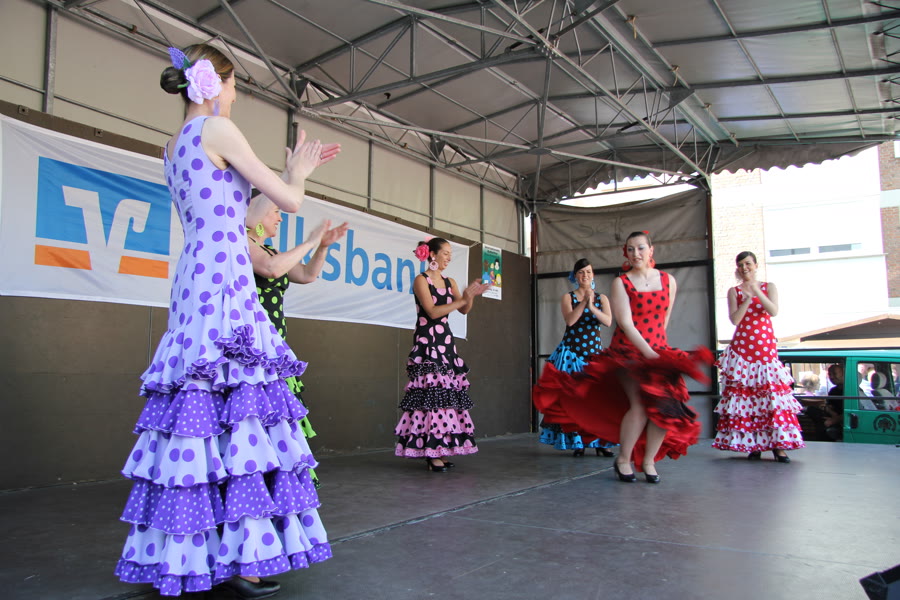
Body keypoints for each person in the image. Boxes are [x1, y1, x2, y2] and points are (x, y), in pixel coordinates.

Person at [115, 44, 340, 598]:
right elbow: (287, 201)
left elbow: (235, 207)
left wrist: (285, 174)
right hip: (225, 281)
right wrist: (298, 173)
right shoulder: (217, 129)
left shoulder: (174, 145)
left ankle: (191, 553)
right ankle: (245, 558)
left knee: (198, 411)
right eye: (236, 85)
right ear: (213, 84)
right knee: (241, 412)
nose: (237, 96)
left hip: (196, 278)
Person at [534, 231, 711, 484]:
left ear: (651, 250)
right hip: (629, 352)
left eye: (641, 248)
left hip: (658, 349)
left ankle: (648, 461)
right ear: (625, 253)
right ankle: (624, 459)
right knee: (639, 405)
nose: (636, 253)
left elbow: (664, 319)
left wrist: (659, 352)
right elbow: (625, 323)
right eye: (630, 249)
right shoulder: (622, 282)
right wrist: (648, 353)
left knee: (667, 408)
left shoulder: (668, 281)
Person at [246, 192, 349, 486]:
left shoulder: (268, 248)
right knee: (253, 417)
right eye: (274, 211)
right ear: (255, 212)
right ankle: (251, 481)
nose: (279, 218)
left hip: (274, 346)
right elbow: (270, 268)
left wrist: (322, 247)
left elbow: (306, 274)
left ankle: (274, 482)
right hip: (250, 347)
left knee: (274, 418)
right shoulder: (239, 242)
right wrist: (310, 241)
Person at [394, 237, 490, 472]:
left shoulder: (450, 281)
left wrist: (469, 296)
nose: (449, 257)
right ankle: (430, 451)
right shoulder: (421, 280)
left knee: (446, 396)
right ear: (432, 254)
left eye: (450, 253)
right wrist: (461, 300)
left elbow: (464, 309)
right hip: (427, 342)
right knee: (430, 396)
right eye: (445, 253)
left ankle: (442, 448)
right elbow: (433, 312)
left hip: (445, 343)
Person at [712, 250, 804, 462]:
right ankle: (752, 444)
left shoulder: (769, 286)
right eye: (741, 265)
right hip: (743, 349)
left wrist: (756, 292)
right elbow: (735, 320)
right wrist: (747, 300)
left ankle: (778, 446)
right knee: (747, 397)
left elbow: (773, 311)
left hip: (764, 349)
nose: (744, 268)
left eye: (748, 264)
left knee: (771, 396)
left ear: (755, 265)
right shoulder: (734, 291)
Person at [537, 258, 616, 457]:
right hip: (572, 354)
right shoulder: (568, 297)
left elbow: (608, 321)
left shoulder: (602, 298)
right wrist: (583, 303)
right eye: (581, 272)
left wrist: (592, 306)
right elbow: (570, 321)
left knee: (597, 400)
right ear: (575, 276)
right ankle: (578, 442)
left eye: (588, 272)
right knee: (574, 401)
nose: (585, 276)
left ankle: (600, 443)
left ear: (593, 275)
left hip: (594, 355)